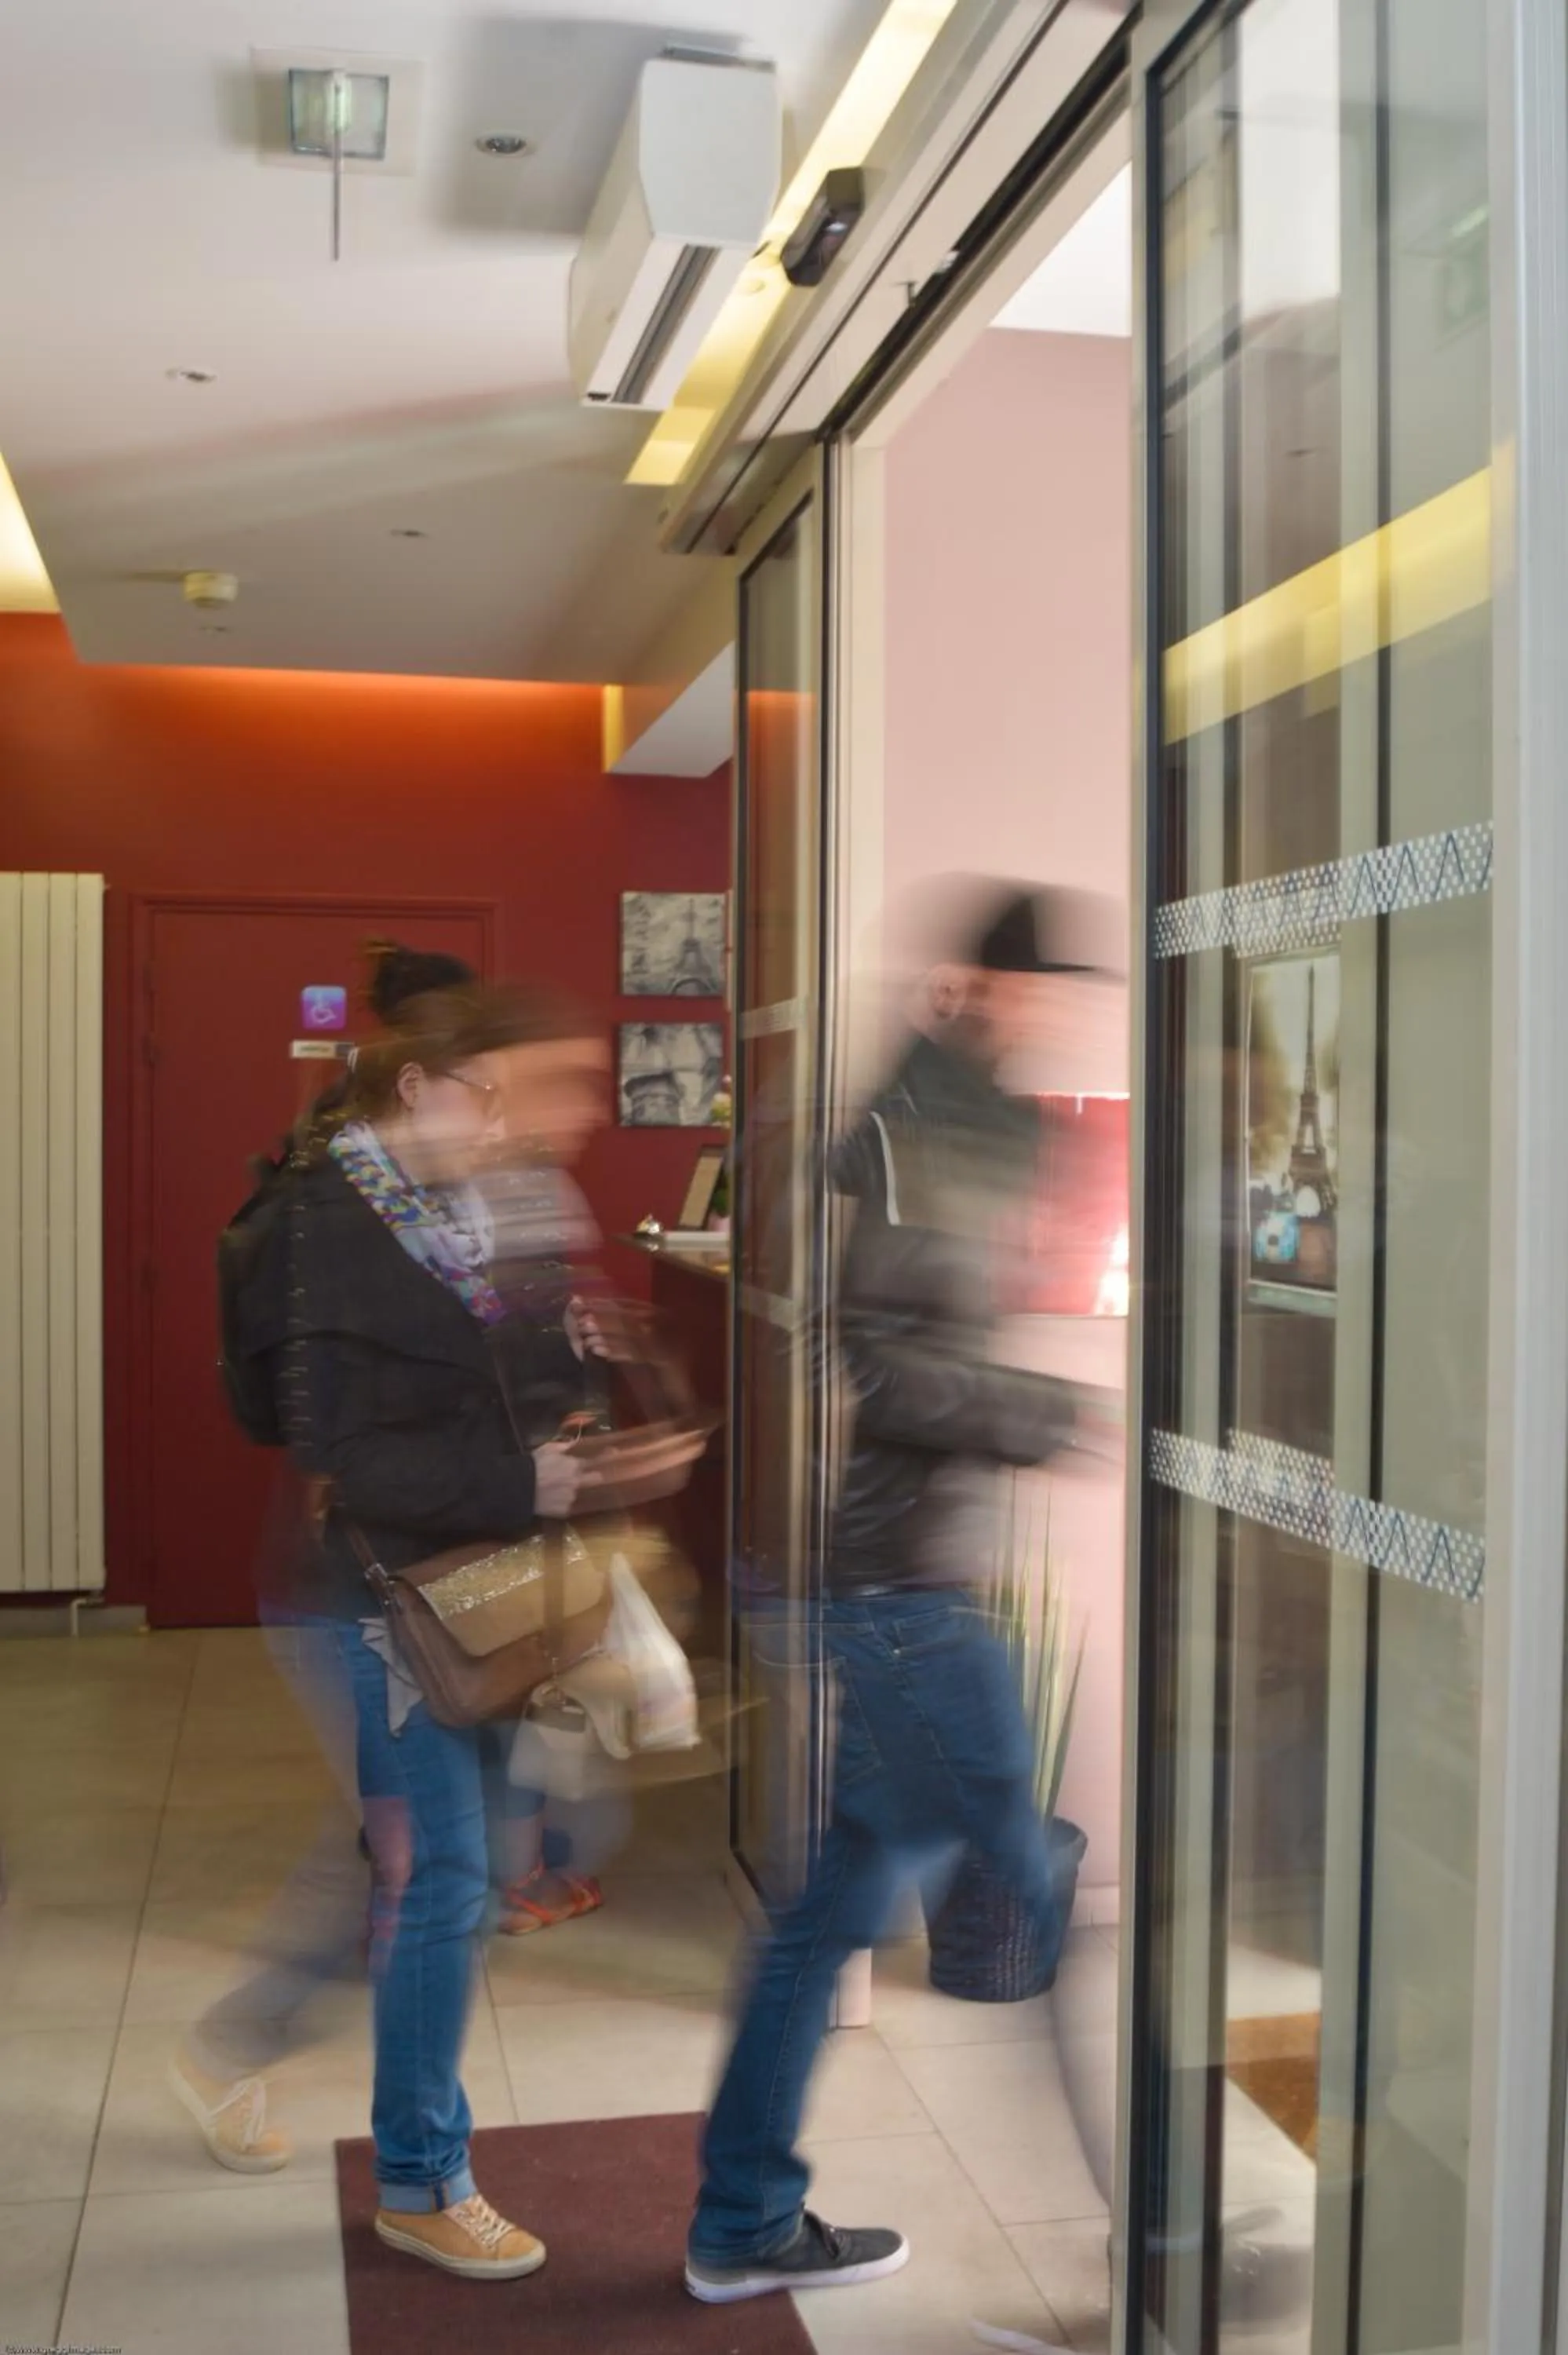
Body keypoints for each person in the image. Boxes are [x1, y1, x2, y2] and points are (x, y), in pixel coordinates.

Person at [686, 883, 1117, 2306]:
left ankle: (743, 2219)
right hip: (902, 1594)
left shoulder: (963, 1120)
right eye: (1034, 991)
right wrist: (1047, 1414)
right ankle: (1142, 2249)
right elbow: (875, 1363)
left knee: (829, 1917)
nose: (1053, 1018)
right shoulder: (911, 1130)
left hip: (903, 1583)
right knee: (1030, 1890)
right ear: (966, 983)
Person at [242, 980, 700, 2280]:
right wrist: (531, 1483)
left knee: (451, 1870)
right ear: (418, 1087)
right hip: (380, 1594)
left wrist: (581, 1436)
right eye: (496, 1090)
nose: (521, 1119)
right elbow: (337, 1455)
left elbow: (486, 1388)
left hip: (477, 1584)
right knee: (440, 1879)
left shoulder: (462, 1207)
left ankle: (242, 2046)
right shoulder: (327, 1222)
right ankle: (420, 2179)